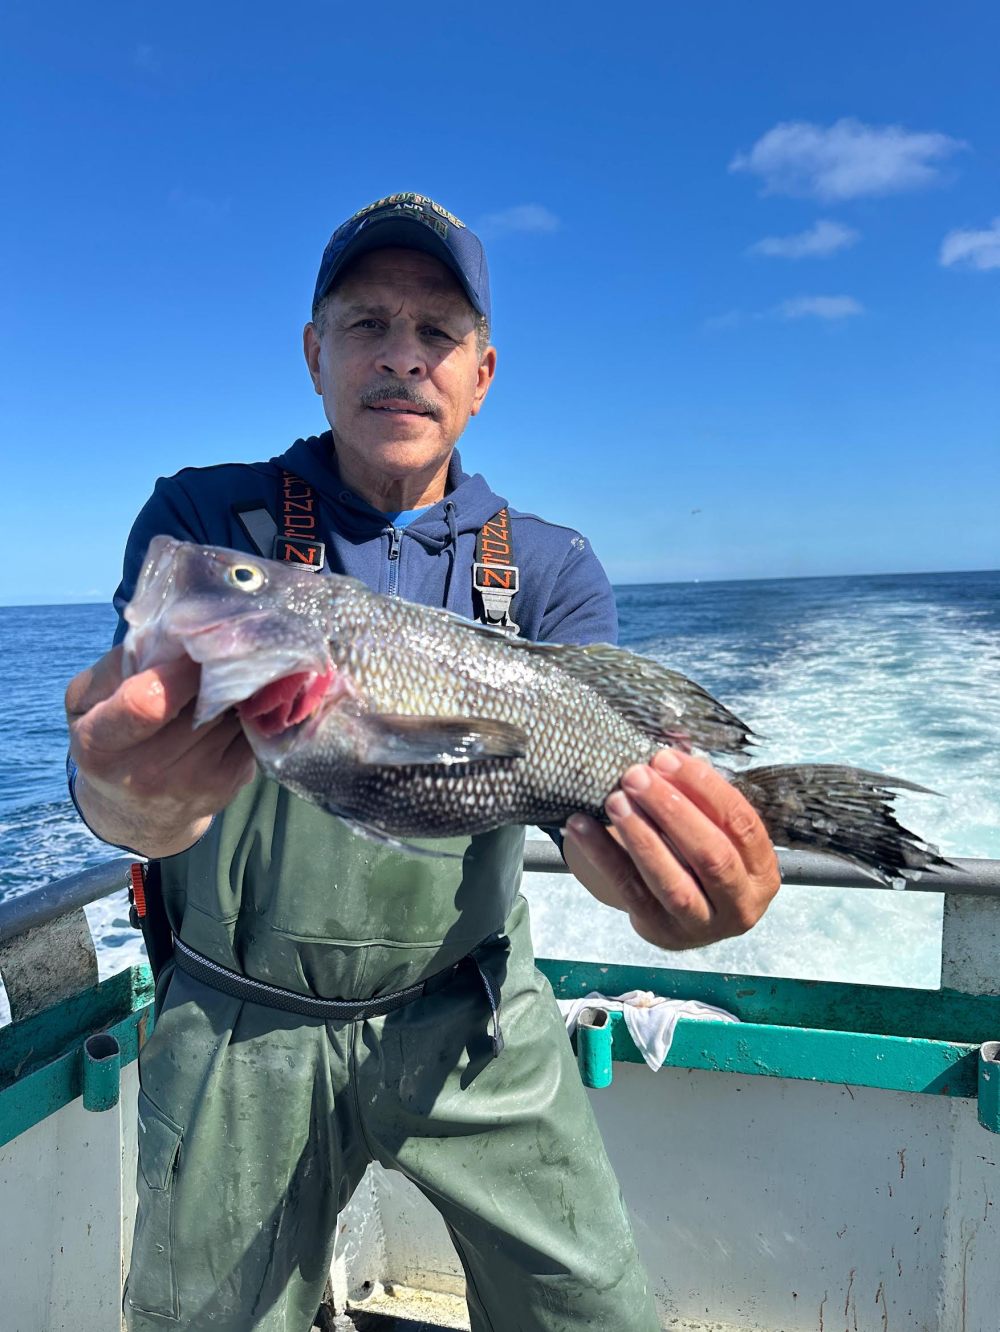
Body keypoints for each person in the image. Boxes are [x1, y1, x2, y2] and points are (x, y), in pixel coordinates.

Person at [65, 192, 780, 1332]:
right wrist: (119, 799)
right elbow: (126, 763)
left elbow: (583, 826)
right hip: (237, 1021)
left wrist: (666, 888)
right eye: (367, 325)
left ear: (481, 372)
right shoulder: (205, 525)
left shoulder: (549, 567)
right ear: (314, 352)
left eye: (436, 333)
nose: (401, 359)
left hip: (474, 1011)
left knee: (595, 1312)